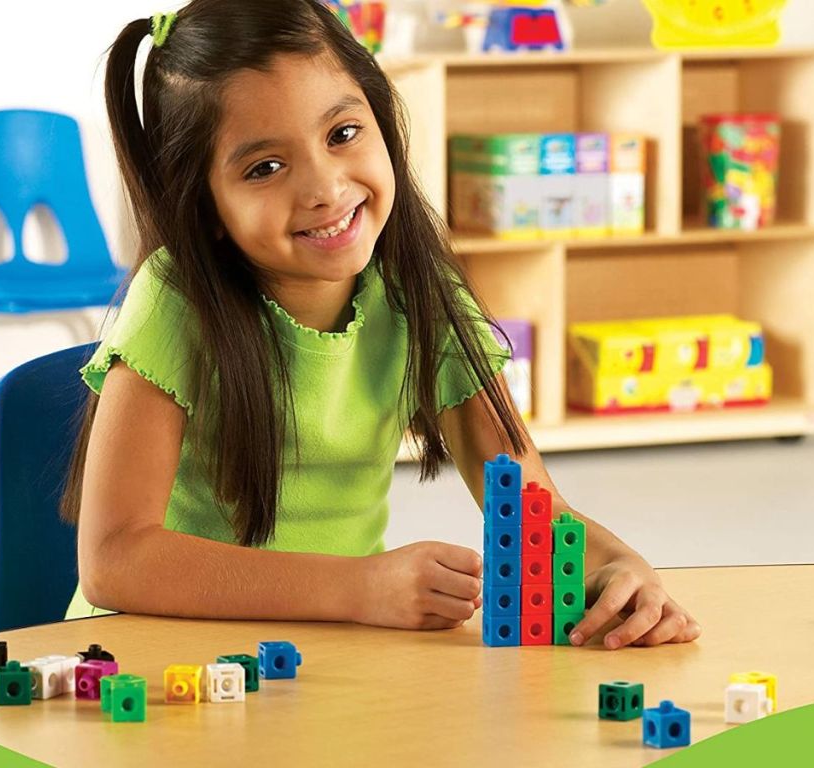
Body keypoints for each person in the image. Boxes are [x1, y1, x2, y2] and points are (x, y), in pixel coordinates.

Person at [59, 0, 701, 650]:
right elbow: (115, 561)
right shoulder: (176, 301)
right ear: (205, 205)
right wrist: (359, 587)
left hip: (319, 658)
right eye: (264, 168)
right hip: (154, 662)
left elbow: (535, 509)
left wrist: (617, 566)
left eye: (341, 134)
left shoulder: (419, 294)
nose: (326, 188)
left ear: (383, 123)